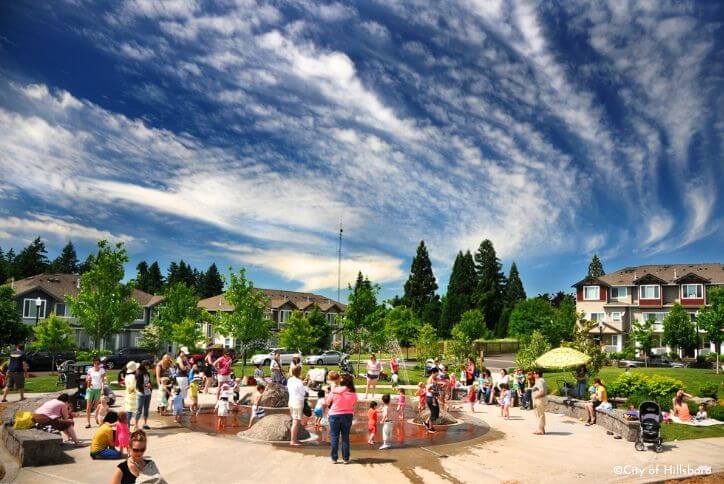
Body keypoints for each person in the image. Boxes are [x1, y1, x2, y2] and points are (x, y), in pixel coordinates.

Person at [326, 372, 358, 464]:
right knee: (345, 437)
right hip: (348, 415)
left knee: (334, 437)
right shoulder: (353, 392)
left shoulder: (335, 390)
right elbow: (354, 402)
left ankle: (334, 458)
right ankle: (346, 459)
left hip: (334, 415)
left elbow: (328, 402)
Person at [286, 365, 307, 446]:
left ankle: (294, 439)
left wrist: (302, 383)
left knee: (295, 421)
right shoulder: (299, 381)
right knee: (296, 422)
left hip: (291, 401)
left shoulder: (290, 380)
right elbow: (303, 393)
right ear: (299, 372)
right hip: (297, 402)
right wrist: (303, 385)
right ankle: (293, 440)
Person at [85, 357, 107, 428]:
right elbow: (87, 379)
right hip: (90, 389)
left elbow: (103, 381)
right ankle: (88, 423)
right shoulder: (90, 370)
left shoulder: (102, 370)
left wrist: (102, 389)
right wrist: (87, 379)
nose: (96, 365)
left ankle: (96, 418)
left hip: (98, 389)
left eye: (98, 363)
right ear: (93, 363)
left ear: (100, 364)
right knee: (88, 406)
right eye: (95, 363)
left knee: (97, 406)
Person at [134, 361, 152, 431]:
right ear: (144, 365)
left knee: (146, 409)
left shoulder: (147, 373)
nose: (148, 367)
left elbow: (149, 381)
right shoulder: (139, 374)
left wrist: (150, 385)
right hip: (141, 393)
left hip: (148, 393)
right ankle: (136, 424)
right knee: (139, 409)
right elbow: (138, 385)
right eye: (147, 365)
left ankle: (145, 423)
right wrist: (146, 385)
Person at [424, 367, 440, 433]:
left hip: (432, 398)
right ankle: (430, 428)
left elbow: (435, 386)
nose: (437, 375)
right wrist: (435, 392)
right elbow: (428, 389)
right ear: (433, 372)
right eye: (436, 373)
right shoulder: (430, 379)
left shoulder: (433, 378)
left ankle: (426, 422)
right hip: (430, 398)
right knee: (434, 412)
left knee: (436, 411)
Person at [531, 369, 547, 435]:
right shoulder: (540, 381)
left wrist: (535, 397)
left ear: (538, 374)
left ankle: (540, 430)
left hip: (539, 399)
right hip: (539, 399)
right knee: (540, 414)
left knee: (539, 414)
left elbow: (542, 391)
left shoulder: (540, 381)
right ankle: (542, 429)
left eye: (534, 374)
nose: (534, 375)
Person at [124, 361, 139, 428]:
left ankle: (127, 427)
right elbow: (132, 388)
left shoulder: (127, 376)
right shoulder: (133, 377)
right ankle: (127, 428)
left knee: (128, 411)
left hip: (128, 395)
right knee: (130, 413)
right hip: (132, 396)